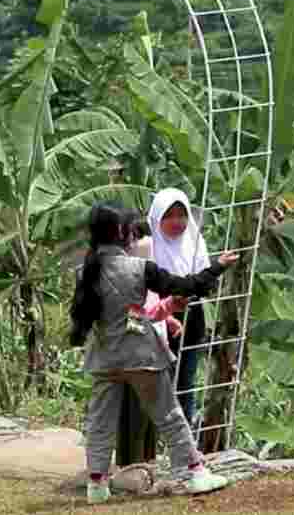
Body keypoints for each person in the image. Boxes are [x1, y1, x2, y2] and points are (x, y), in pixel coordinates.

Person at [70, 202, 236, 505]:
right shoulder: (139, 268)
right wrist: (217, 266)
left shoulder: (85, 272)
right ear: (122, 233)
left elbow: (102, 317)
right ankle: (196, 472)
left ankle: (97, 484)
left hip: (104, 358)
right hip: (142, 356)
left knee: (100, 421)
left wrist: (165, 310)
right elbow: (187, 285)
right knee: (169, 415)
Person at [147, 188, 211, 429]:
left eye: (181, 215)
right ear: (157, 218)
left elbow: (205, 282)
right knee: (158, 380)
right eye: (169, 216)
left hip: (192, 318)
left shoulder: (195, 242)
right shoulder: (148, 247)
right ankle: (156, 434)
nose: (177, 222)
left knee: (187, 380)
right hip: (155, 318)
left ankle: (185, 435)